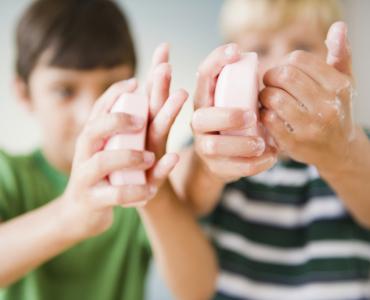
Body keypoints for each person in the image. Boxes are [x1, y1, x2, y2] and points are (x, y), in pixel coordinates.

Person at [0, 1, 216, 299]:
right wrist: (68, 216)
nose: (90, 112)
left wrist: (156, 194)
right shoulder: (7, 174)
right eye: (65, 90)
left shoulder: (131, 187)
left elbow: (198, 288)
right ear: (24, 94)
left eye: (111, 85)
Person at [173, 0, 370, 299]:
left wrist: (342, 152)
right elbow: (183, 198)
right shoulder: (217, 143)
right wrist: (209, 166)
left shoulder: (358, 143)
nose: (282, 63)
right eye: (261, 50)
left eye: (302, 46)